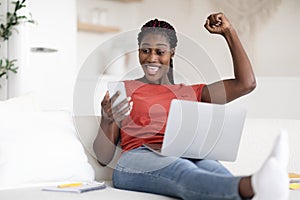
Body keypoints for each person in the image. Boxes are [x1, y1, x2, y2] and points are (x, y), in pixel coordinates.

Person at [93, 13, 289, 200]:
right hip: (136, 159)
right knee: (181, 170)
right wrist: (106, 119)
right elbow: (103, 157)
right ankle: (253, 185)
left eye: (160, 52)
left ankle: (263, 191)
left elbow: (246, 84)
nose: (152, 58)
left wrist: (229, 32)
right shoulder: (125, 89)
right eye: (145, 51)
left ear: (172, 53)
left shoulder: (192, 92)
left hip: (187, 154)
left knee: (215, 169)